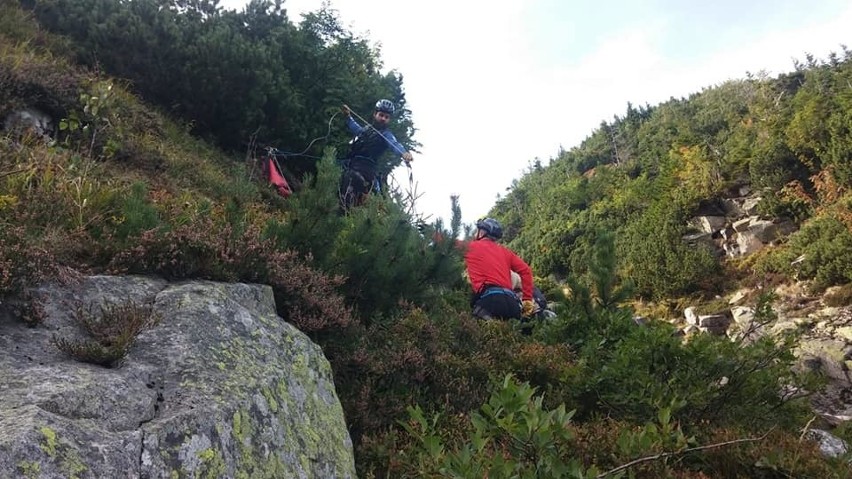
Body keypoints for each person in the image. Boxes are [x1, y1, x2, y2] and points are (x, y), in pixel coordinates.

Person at [339, 99, 413, 210]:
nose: (383, 119)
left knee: (352, 179)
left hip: (367, 169)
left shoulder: (386, 134)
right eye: (381, 115)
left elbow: (394, 144)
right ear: (375, 114)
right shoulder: (366, 130)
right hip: (350, 163)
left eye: (386, 117)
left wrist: (403, 153)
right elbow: (356, 128)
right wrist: (348, 116)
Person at [465, 217, 537, 320]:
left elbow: (448, 242)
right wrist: (527, 300)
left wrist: (434, 234)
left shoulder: (471, 247)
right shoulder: (506, 252)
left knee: (472, 331)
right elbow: (526, 271)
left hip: (490, 301)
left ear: (482, 233)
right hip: (512, 303)